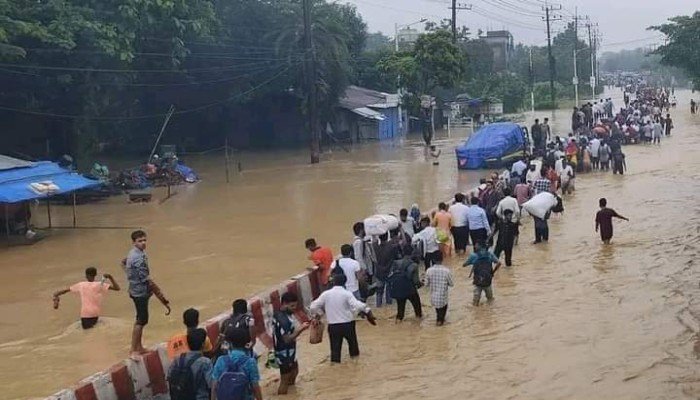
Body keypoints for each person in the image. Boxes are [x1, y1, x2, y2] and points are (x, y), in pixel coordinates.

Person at [310, 274, 376, 363]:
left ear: (333, 282)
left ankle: (336, 369)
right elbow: (357, 305)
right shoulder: (347, 294)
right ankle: (355, 365)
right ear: (345, 282)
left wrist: (320, 313)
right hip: (348, 325)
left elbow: (313, 306)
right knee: (353, 349)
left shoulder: (326, 294)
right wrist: (368, 310)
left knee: (335, 351)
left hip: (333, 326)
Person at [123, 230, 170, 358]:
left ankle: (139, 347)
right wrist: (160, 295)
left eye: (144, 240)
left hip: (135, 289)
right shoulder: (137, 258)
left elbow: (123, 262)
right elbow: (147, 280)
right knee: (141, 320)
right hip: (139, 292)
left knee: (141, 318)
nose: (143, 243)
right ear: (134, 242)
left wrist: (130, 276)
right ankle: (133, 350)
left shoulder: (135, 253)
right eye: (140, 241)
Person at [52, 267, 120, 329]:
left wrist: (56, 294)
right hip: (95, 313)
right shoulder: (100, 285)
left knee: (87, 333)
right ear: (95, 275)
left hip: (86, 314)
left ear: (86, 275)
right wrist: (110, 277)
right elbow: (117, 288)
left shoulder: (81, 285)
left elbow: (65, 291)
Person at [272, 292, 309, 395]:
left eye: (295, 305)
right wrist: (301, 329)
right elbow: (287, 339)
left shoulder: (281, 314)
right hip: (284, 352)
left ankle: (292, 394)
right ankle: (282, 395)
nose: (294, 308)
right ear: (284, 304)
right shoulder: (283, 320)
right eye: (292, 306)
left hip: (289, 351)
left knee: (294, 372)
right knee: (285, 379)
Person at [211, 328, 263, 400]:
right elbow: (255, 387)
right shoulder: (250, 362)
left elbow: (214, 386)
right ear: (245, 344)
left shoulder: (221, 360)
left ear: (230, 344)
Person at [168, 328, 212, 400]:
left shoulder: (178, 358)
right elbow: (211, 385)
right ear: (203, 344)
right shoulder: (205, 362)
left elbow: (170, 377)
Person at [389, 246, 423, 322]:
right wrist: (421, 284)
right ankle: (418, 326)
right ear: (412, 253)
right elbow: (416, 281)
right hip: (409, 289)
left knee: (400, 311)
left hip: (397, 288)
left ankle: (398, 323)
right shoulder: (414, 265)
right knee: (417, 309)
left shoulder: (396, 263)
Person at [463, 241, 501, 306]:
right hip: (488, 280)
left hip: (478, 281)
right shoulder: (490, 254)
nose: (474, 246)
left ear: (480, 246)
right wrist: (493, 272)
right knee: (490, 299)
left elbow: (464, 265)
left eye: (476, 245)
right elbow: (499, 263)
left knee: (475, 302)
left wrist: (471, 262)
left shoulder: (473, 255)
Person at [423, 251, 453, 326]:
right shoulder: (446, 271)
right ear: (442, 259)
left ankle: (439, 324)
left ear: (433, 260)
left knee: (438, 313)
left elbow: (426, 284)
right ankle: (440, 327)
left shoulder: (429, 271)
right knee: (441, 316)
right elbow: (451, 284)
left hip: (434, 298)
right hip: (443, 298)